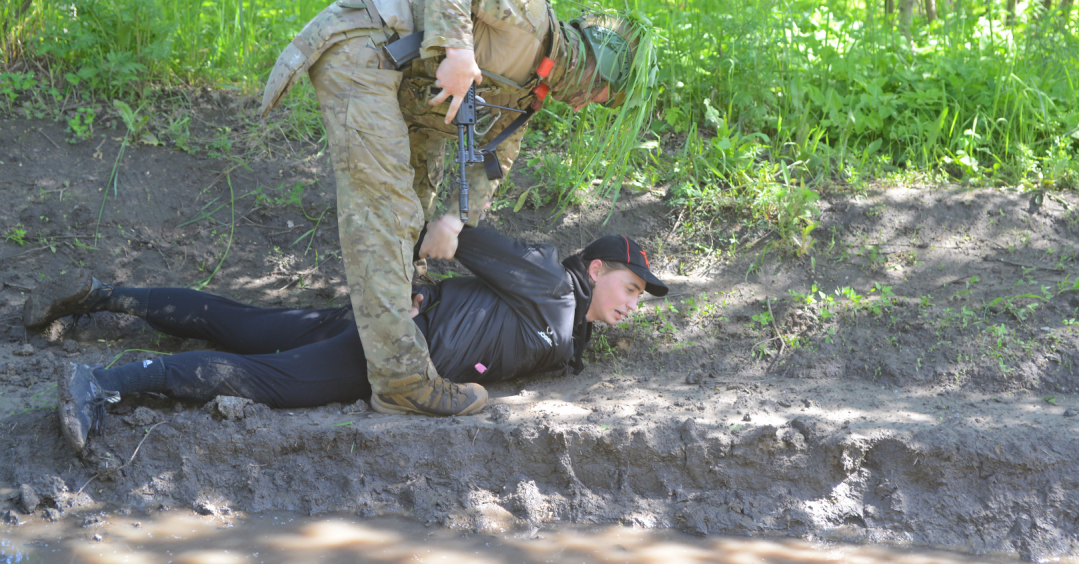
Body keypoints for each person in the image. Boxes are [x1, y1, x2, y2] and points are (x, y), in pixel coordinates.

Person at [259, 0, 656, 417]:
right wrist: (460, 51)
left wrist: (453, 220)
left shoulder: (530, 91)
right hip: (364, 52)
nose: (585, 106)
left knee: (417, 207)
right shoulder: (529, 17)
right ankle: (402, 379)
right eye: (599, 97)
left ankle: (398, 311)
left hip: (401, 90)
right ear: (594, 70)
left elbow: (492, 161)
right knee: (388, 212)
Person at [23, 226, 667, 454]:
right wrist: (443, 251)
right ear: (596, 271)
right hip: (392, 350)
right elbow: (459, 233)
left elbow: (481, 307)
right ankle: (101, 383)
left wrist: (427, 294)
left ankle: (101, 297)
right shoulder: (554, 285)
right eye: (632, 288)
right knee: (267, 380)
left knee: (243, 324)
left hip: (396, 320)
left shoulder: (565, 323)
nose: (633, 305)